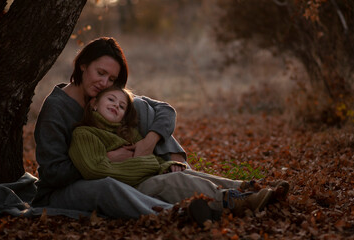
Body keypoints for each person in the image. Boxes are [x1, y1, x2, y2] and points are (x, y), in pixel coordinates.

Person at [68, 86, 290, 226]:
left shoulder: (129, 133)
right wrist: (144, 163)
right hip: (129, 190)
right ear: (94, 104)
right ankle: (232, 200)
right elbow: (95, 169)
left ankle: (247, 187)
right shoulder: (84, 133)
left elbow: (152, 161)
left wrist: (165, 165)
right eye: (110, 100)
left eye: (122, 105)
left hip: (146, 179)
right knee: (176, 180)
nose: (116, 105)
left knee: (185, 173)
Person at [33, 37, 188, 219]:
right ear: (83, 65)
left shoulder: (106, 98)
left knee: (141, 107)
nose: (104, 83)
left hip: (117, 172)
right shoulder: (56, 108)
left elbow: (165, 110)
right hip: (62, 191)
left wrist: (149, 141)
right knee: (107, 186)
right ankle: (175, 213)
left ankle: (212, 187)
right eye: (100, 73)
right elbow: (53, 173)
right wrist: (106, 159)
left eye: (111, 79)